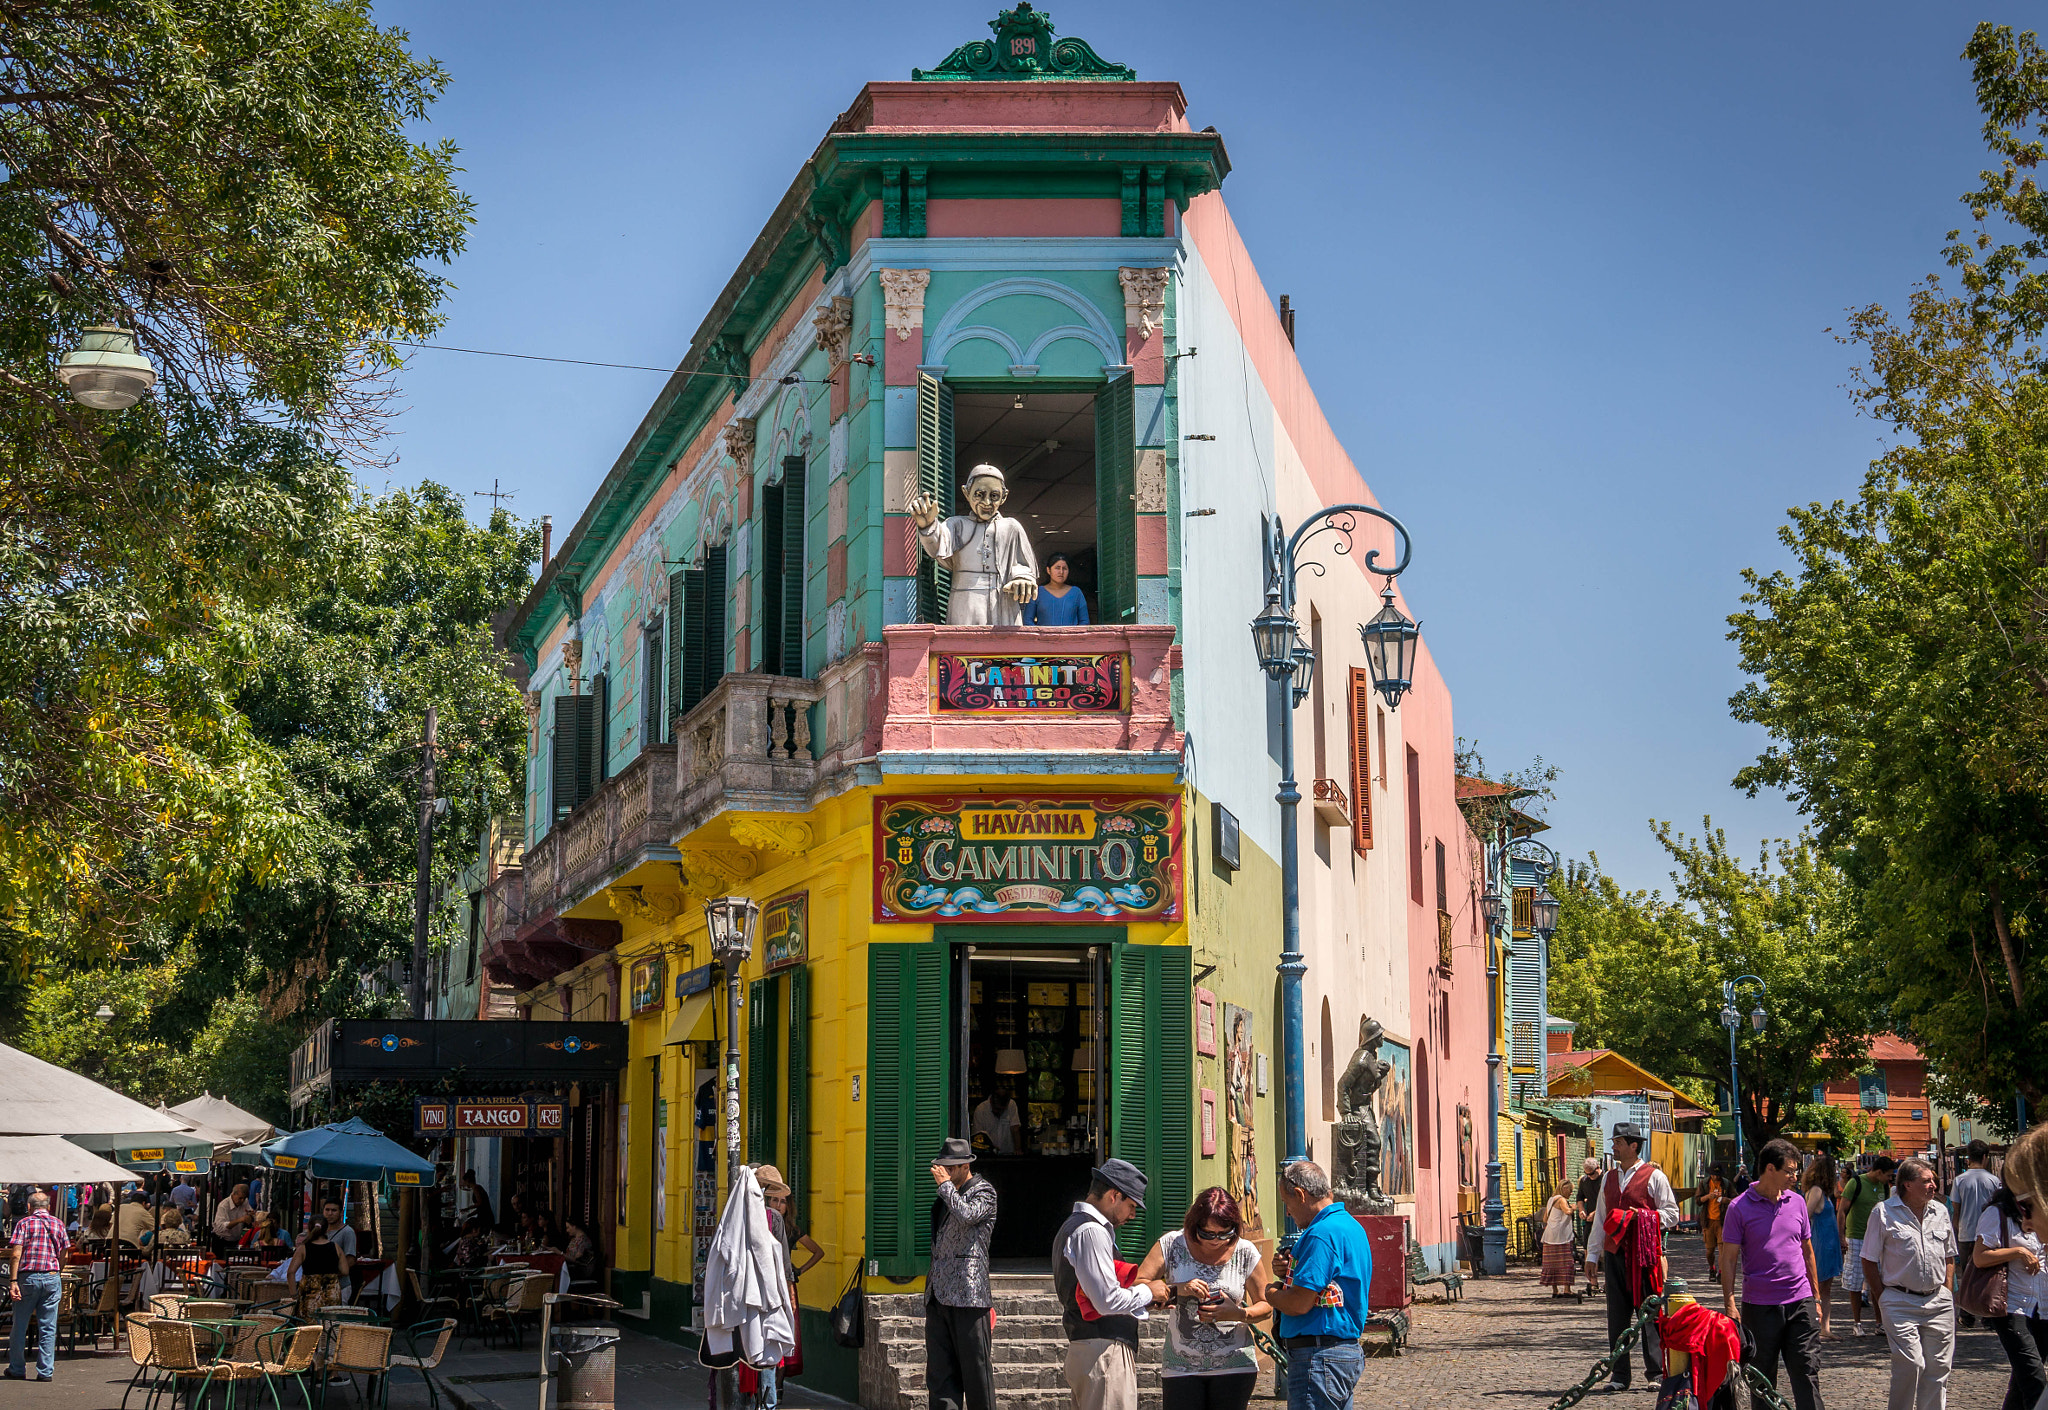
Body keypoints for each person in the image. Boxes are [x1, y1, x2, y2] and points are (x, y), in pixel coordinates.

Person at [1129, 1186, 1269, 1410]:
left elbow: (1266, 1305)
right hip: (1181, 1365)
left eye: (1225, 1233)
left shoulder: (1246, 1251)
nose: (1216, 1241)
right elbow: (1137, 1284)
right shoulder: (1172, 1244)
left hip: (1235, 1365)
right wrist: (1177, 1289)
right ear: (1194, 1225)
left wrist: (1239, 1313)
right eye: (1207, 1234)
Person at [1719, 1138, 1826, 1410]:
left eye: (1796, 1171)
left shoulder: (1798, 1202)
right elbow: (1729, 1259)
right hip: (1759, 1306)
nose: (1795, 1176)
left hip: (1800, 1303)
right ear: (1770, 1169)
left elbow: (1808, 1251)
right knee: (1762, 1379)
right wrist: (1729, 1302)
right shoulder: (1739, 1208)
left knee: (1806, 1372)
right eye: (1789, 1171)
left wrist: (1816, 1298)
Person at [1054, 1158, 1167, 1410]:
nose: (1133, 1214)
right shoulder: (1090, 1231)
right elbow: (1106, 1300)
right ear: (1114, 1195)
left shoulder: (1082, 1228)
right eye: (1132, 1205)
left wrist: (1145, 1301)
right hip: (1102, 1352)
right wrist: (1147, 1291)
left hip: (1094, 1348)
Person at [1584, 1124, 1679, 1392]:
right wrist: (1592, 1254)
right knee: (1616, 1315)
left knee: (1649, 1312)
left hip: (1645, 1255)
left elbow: (1672, 1214)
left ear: (1633, 1145)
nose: (1613, 1146)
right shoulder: (1608, 1179)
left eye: (1618, 1142)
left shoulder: (1654, 1177)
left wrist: (1642, 1217)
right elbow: (1601, 1218)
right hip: (1615, 1254)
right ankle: (1619, 1375)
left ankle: (1656, 1372)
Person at [1267, 1161, 1369, 1410]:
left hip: (1318, 1356)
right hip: (1340, 1353)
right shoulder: (1350, 1227)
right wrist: (1290, 1270)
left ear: (1301, 1195)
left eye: (1287, 1203)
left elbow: (1299, 1303)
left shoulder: (1320, 1234)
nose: (1288, 1213)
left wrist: (1271, 1292)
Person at [1865, 1156, 1958, 1410]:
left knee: (1938, 1368)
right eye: (1927, 1181)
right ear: (1907, 1184)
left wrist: (1947, 1291)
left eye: (1933, 1181)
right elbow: (1869, 1260)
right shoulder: (1883, 1212)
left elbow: (1950, 1255)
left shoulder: (1940, 1210)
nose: (1933, 1186)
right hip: (1899, 1300)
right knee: (1911, 1364)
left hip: (1938, 1300)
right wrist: (1882, 1295)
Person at [910, 463, 1040, 626]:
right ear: (966, 492)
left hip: (1003, 602)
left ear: (1004, 496)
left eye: (994, 496)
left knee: (1005, 649)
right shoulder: (956, 524)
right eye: (979, 494)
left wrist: (1022, 578)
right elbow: (937, 547)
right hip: (965, 602)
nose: (986, 502)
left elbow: (1023, 565)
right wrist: (928, 525)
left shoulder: (1012, 527)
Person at [924, 1139, 998, 1410]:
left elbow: (968, 1216)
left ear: (965, 1166)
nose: (943, 1172)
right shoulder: (947, 1194)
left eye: (949, 1168)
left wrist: (945, 1188)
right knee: (940, 1376)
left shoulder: (984, 1191)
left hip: (969, 1296)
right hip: (939, 1296)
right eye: (941, 1167)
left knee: (976, 1373)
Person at [1971, 1177, 2045, 1410]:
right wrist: (2018, 1251)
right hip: (2012, 1305)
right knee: (2036, 1383)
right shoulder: (1997, 1214)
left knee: (2021, 1383)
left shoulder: (2040, 1209)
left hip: (2042, 1306)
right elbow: (1980, 1257)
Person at [5, 1191, 67, 1382]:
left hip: (28, 1278)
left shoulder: (24, 1223)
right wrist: (57, 1271)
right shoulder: (58, 1223)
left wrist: (13, 1281)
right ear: (48, 1207)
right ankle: (45, 1371)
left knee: (20, 1325)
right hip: (51, 1277)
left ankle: (17, 1368)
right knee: (48, 1327)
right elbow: (64, 1253)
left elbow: (16, 1254)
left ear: (29, 1207)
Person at [1842, 1156, 1898, 1336]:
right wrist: (1841, 1236)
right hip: (1857, 1236)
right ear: (1879, 1172)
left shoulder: (1883, 1187)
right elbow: (1842, 1210)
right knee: (1855, 1281)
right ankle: (1857, 1322)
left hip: (1877, 1238)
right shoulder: (1856, 1182)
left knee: (1878, 1281)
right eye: (1888, 1175)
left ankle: (1879, 1322)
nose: (1890, 1179)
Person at [1951, 1140, 2001, 1329]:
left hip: (1966, 1233)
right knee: (1988, 1275)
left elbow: (1956, 1209)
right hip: (1989, 1235)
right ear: (1985, 1157)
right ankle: (1988, 1316)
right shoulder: (1994, 1181)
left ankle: (1967, 1314)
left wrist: (1957, 1229)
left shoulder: (1960, 1180)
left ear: (1968, 1158)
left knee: (1967, 1275)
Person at [1806, 1152, 1844, 1339]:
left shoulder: (1823, 1192)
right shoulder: (1817, 1191)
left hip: (1829, 1243)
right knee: (1818, 1288)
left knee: (1826, 1289)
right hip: (1821, 1243)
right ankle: (1815, 1325)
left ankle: (1825, 1328)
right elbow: (1806, 1215)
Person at [289, 1216, 352, 1318]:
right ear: (327, 1229)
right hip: (331, 1294)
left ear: (309, 1229)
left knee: (309, 1327)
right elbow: (345, 1271)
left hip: (309, 1294)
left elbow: (291, 1272)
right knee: (330, 1325)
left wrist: (293, 1294)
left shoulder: (303, 1248)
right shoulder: (335, 1247)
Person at [1023, 553, 1090, 627]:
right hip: (1044, 638)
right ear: (1048, 570)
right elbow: (1027, 620)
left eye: (1064, 568)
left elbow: (1084, 622)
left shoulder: (1076, 593)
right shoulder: (1037, 592)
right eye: (1057, 568)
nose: (1061, 572)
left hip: (1070, 638)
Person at [1540, 1191, 1578, 1296]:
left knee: (1552, 1264)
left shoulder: (1551, 1200)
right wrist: (1573, 1208)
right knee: (1566, 1262)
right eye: (1570, 1190)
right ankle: (1567, 1289)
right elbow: (1567, 1211)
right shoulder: (1562, 1200)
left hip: (1549, 1236)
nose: (1571, 1193)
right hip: (1562, 1236)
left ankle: (1555, 1290)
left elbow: (1545, 1218)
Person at [1576, 1157, 1606, 1293]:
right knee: (1589, 1250)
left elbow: (1609, 1200)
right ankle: (1593, 1282)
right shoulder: (1584, 1181)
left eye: (1592, 1174)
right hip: (1589, 1221)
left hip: (1605, 1219)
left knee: (1605, 1252)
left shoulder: (1605, 1179)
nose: (1590, 1177)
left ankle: (1608, 1282)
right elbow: (1579, 1198)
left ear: (1598, 1168)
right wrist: (1582, 1210)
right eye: (1587, 1174)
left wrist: (1596, 1213)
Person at [971, 1084, 1024, 1156]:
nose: (1000, 1112)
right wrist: (990, 1147)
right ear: (991, 1101)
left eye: (1003, 1109)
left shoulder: (1011, 1105)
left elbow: (1015, 1129)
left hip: (1008, 1154)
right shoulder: (981, 1109)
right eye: (997, 1109)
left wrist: (1018, 1149)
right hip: (988, 1155)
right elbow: (977, 1137)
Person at [1702, 1167, 1729, 1277]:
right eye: (1713, 1174)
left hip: (1722, 1222)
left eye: (1718, 1175)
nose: (1716, 1177)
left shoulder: (1726, 1184)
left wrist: (1725, 1200)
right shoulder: (1704, 1184)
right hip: (1708, 1221)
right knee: (1710, 1251)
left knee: (1722, 1249)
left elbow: (1735, 1198)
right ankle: (1711, 1267)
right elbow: (1698, 1200)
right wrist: (1708, 1196)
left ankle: (1721, 1273)